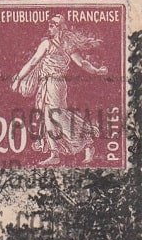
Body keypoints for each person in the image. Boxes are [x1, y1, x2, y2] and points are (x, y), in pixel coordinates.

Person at [10, 14, 109, 166]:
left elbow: (82, 63)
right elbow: (32, 62)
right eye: (49, 23)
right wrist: (18, 78)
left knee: (57, 115)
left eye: (53, 24)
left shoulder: (63, 46)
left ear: (60, 28)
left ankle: (88, 141)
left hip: (55, 83)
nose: (49, 25)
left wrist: (96, 71)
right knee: (48, 117)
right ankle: (54, 153)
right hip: (47, 83)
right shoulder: (47, 43)